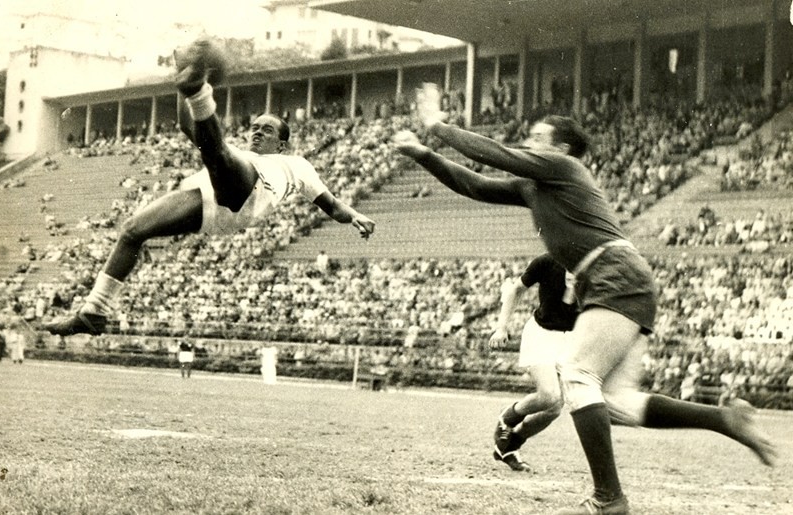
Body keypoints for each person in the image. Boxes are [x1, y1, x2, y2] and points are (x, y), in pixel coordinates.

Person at [392, 84, 775, 515]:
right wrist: (424, 155)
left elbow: (497, 153)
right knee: (616, 402)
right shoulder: (535, 186)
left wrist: (436, 127)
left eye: (538, 138)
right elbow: (475, 185)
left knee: (575, 375)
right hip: (617, 278)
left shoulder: (564, 168)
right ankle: (723, 419)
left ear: (563, 148)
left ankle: (609, 497)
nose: (529, 143)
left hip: (614, 274)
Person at [44, 39, 375, 337]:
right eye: (256, 127)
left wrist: (355, 214)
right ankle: (94, 312)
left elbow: (332, 205)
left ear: (283, 144)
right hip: (214, 198)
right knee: (132, 230)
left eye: (268, 130)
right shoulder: (237, 151)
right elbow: (187, 126)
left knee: (218, 155)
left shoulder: (295, 164)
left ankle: (199, 92)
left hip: (252, 194)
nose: (258, 132)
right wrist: (180, 83)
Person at [489, 253, 577, 473]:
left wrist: (574, 286)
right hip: (542, 334)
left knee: (554, 409)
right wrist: (502, 327)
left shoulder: (594, 269)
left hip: (569, 339)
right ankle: (507, 418)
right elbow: (515, 290)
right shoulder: (547, 262)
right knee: (549, 395)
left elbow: (572, 308)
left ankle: (510, 446)